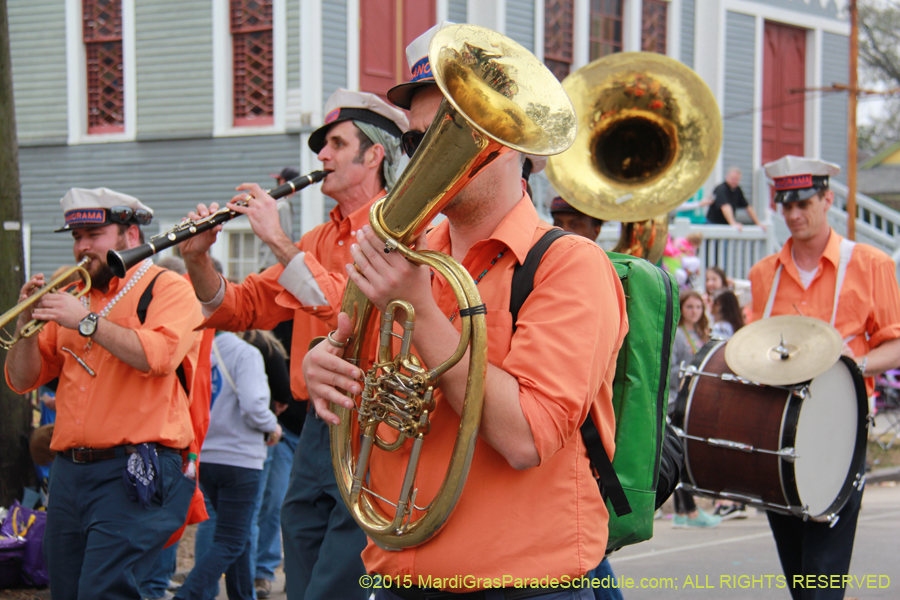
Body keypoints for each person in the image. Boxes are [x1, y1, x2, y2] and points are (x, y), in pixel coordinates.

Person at [303, 23, 627, 599]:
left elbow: (526, 437)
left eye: (449, 131)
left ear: (506, 139)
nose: (426, 158)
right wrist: (323, 366)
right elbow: (362, 373)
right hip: (398, 575)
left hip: (525, 586)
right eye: (415, 142)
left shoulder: (570, 264)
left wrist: (422, 312)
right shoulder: (406, 256)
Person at [179, 88, 408, 600]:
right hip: (315, 429)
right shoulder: (317, 240)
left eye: (336, 144)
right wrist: (197, 259)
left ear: (374, 154)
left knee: (343, 572)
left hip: (375, 424)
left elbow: (350, 310)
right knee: (300, 545)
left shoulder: (401, 230)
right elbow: (240, 307)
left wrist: (276, 240)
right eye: (322, 145)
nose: (321, 155)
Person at [4, 187, 201, 600]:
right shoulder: (76, 297)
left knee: (102, 591)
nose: (83, 247)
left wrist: (87, 322)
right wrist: (26, 327)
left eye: (94, 235)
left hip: (135, 465)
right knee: (66, 590)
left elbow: (159, 356)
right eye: (77, 237)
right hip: (69, 471)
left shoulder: (168, 288)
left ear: (131, 235)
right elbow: (23, 380)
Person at [748, 155, 900, 600]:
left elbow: (895, 344)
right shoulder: (763, 274)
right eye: (785, 205)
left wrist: (853, 362)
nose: (793, 215)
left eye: (804, 204)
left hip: (840, 430)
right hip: (778, 432)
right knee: (799, 574)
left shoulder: (871, 263)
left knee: (822, 575)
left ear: (827, 200)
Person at [549, 196, 622, 600]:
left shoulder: (595, 277)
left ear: (597, 228)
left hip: (587, 451)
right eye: (557, 220)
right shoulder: (546, 268)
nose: (563, 230)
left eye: (575, 223)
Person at [176, 329, 281, 600]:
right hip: (241, 457)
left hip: (207, 455)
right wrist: (273, 426)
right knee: (232, 539)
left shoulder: (198, 350)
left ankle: (242, 595)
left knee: (236, 536)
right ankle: (187, 595)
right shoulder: (246, 353)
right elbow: (253, 406)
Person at [668, 290, 720, 529]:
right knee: (682, 455)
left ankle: (682, 511)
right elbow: (671, 368)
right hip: (679, 400)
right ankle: (689, 510)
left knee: (684, 454)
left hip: (696, 399)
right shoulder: (677, 334)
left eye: (698, 307)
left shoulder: (701, 333)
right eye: (689, 307)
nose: (694, 312)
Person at [257, 167, 299, 271]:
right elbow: (284, 236)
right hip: (276, 265)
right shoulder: (282, 206)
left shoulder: (271, 202)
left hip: (265, 263)